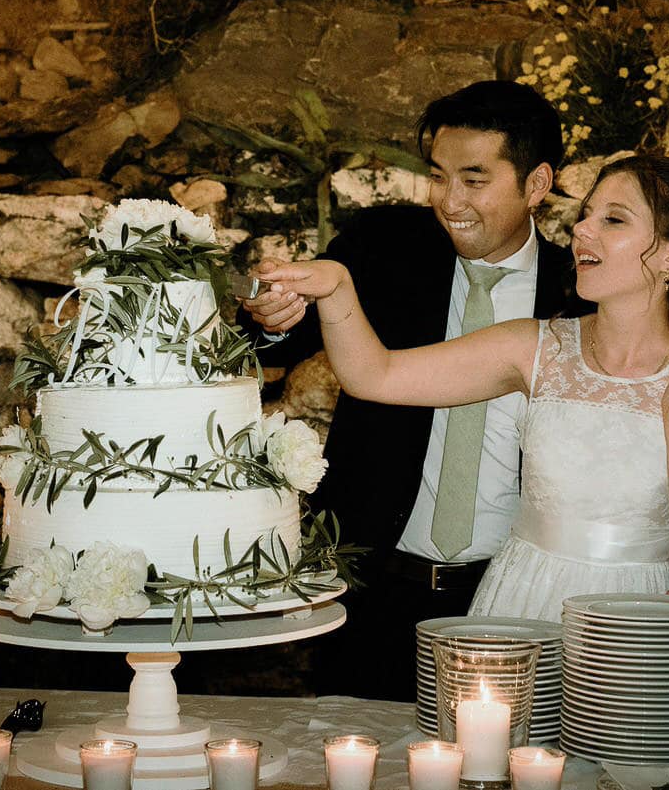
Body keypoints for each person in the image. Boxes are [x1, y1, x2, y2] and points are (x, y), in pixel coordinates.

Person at [260, 153, 669, 624]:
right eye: (586, 215)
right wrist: (336, 287)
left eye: (614, 220)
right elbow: (375, 375)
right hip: (521, 603)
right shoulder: (533, 345)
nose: (582, 229)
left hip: (642, 617)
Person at [244, 80, 578, 701]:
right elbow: (273, 342)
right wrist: (273, 317)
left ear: (536, 184)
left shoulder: (576, 292)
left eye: (474, 179)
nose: (450, 201)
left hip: (513, 598)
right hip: (374, 587)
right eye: (439, 176)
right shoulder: (381, 250)